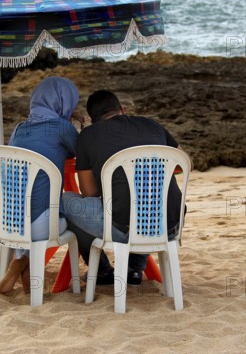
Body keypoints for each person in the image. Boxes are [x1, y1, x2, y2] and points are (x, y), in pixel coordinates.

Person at [63, 89, 189, 286]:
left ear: (92, 120)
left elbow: (90, 193)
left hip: (124, 227)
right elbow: (185, 164)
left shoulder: (88, 135)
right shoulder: (152, 124)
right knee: (146, 203)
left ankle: (103, 272)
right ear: (121, 109)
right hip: (172, 223)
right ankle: (134, 269)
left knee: (65, 202)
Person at [0, 76, 83, 294]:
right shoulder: (61, 127)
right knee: (75, 214)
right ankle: (24, 265)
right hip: (41, 225)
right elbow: (78, 151)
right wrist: (76, 123)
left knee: (29, 205)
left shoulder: (19, 129)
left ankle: (19, 261)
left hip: (4, 221)